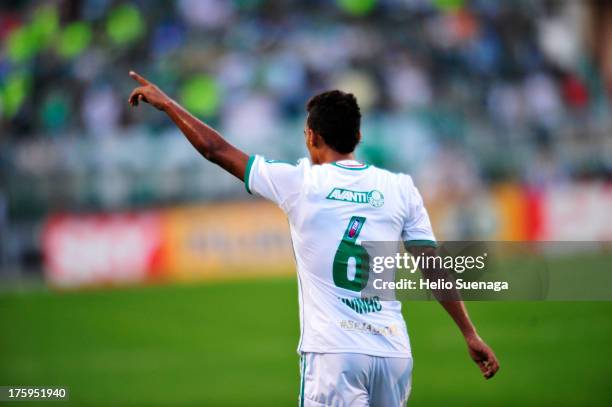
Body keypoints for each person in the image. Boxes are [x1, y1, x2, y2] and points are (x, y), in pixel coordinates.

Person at [128, 71, 499, 406]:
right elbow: (431, 265)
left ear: (311, 136)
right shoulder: (400, 188)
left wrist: (169, 105)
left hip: (333, 356)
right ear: (358, 136)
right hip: (393, 353)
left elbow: (217, 151)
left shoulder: (301, 183)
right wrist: (469, 333)